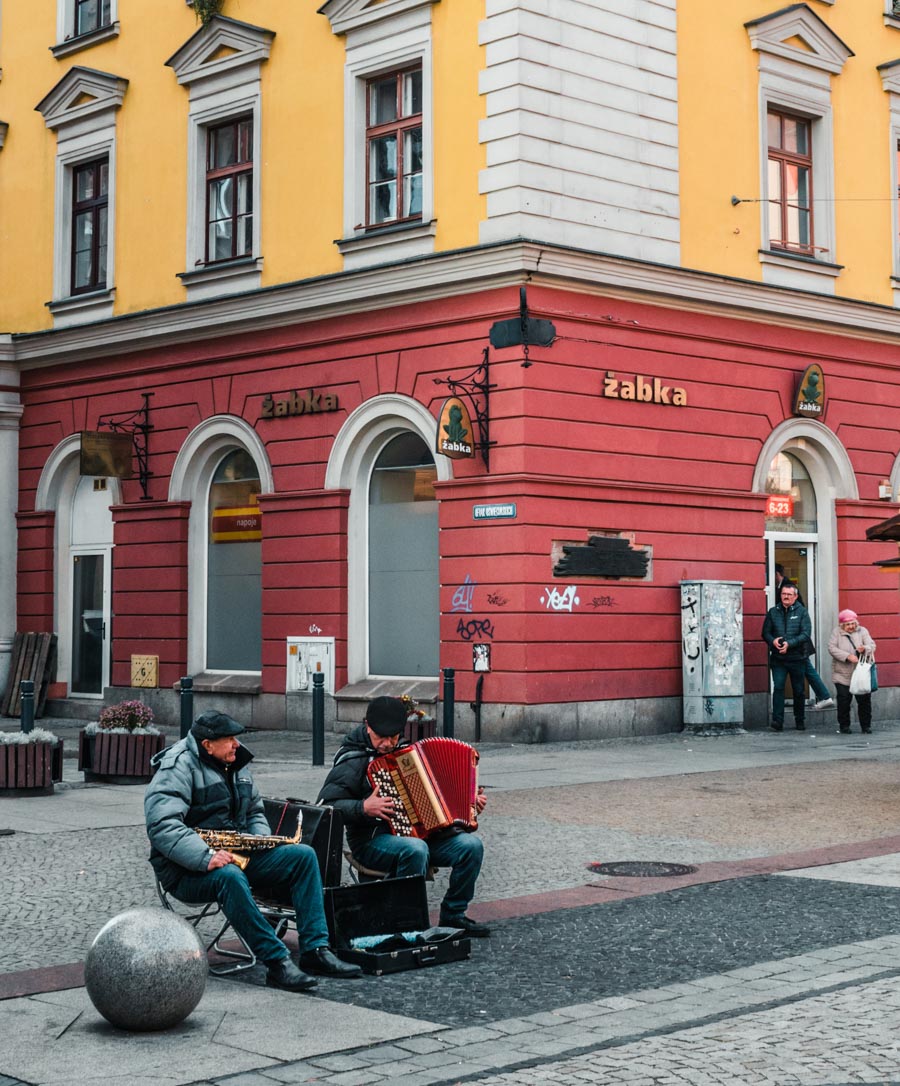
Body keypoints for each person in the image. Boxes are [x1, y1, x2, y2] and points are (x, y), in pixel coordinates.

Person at [145, 710, 361, 992]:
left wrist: (260, 841)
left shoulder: (234, 762)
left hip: (239, 855)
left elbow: (255, 811)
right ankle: (277, 962)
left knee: (303, 857)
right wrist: (206, 857)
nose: (237, 744)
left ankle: (315, 950)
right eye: (230, 739)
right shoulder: (178, 767)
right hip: (185, 870)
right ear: (207, 744)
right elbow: (162, 825)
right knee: (229, 876)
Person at [317, 695, 490, 936]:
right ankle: (406, 923)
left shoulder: (409, 753)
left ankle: (453, 916)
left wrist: (470, 804)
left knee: (471, 846)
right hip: (371, 841)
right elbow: (326, 805)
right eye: (381, 737)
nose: (388, 743)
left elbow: (439, 795)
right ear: (367, 726)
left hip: (424, 837)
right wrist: (363, 807)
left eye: (394, 736)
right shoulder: (353, 758)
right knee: (415, 849)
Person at [773, 566, 834, 710]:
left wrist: (790, 640)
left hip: (797, 645)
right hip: (796, 643)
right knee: (808, 670)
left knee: (808, 670)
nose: (785, 596)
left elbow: (796, 613)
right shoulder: (784, 587)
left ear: (776, 574)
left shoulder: (788, 588)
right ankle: (825, 696)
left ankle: (825, 696)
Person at [762, 581, 811, 731]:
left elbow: (806, 634)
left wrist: (790, 643)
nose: (786, 597)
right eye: (783, 594)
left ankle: (800, 720)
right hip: (778, 659)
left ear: (795, 597)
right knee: (778, 687)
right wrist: (773, 641)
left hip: (797, 657)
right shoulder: (773, 611)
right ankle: (777, 721)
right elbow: (765, 633)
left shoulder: (802, 612)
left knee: (798, 690)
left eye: (789, 594)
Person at [828, 609, 877, 735]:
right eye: (848, 624)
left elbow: (872, 645)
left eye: (853, 624)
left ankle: (866, 726)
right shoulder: (836, 632)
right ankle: (844, 726)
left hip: (861, 674)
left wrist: (864, 648)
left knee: (864, 701)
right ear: (842, 625)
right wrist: (847, 656)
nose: (851, 627)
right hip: (842, 673)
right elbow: (832, 648)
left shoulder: (863, 631)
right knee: (844, 701)